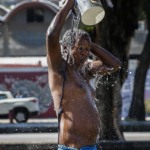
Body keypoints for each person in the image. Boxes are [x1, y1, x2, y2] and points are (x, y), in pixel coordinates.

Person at [46, 0, 122, 149]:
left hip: (91, 146)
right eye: (79, 47)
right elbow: (51, 35)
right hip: (72, 147)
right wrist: (69, 3)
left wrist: (90, 44)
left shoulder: (86, 71)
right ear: (66, 48)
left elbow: (116, 65)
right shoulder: (59, 70)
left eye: (87, 50)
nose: (84, 52)